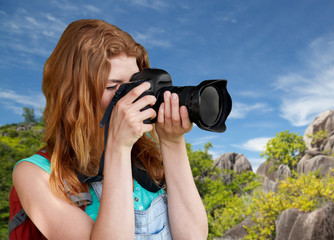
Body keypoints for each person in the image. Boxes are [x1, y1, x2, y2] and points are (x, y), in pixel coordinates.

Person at [12, 19, 208, 239]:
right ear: (72, 95)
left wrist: (172, 143)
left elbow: (193, 237)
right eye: (113, 87)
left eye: (135, 83)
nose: (130, 96)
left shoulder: (146, 160)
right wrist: (118, 148)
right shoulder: (35, 174)